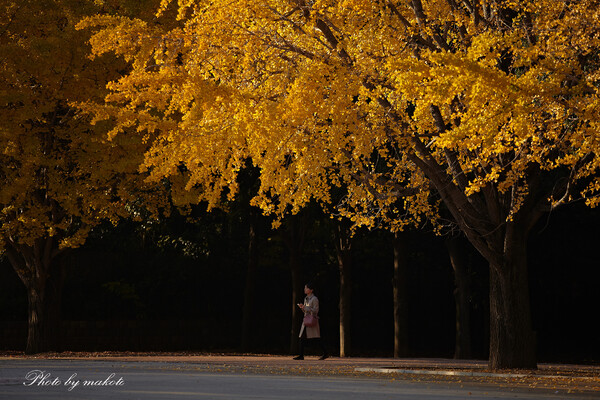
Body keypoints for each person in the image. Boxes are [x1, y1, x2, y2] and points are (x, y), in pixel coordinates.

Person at [294, 282, 328, 360]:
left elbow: (316, 310)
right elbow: (306, 311)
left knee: (316, 338)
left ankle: (325, 352)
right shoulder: (306, 298)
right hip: (306, 320)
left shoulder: (314, 299)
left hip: (312, 320)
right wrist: (302, 307)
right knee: (302, 337)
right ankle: (301, 355)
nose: (305, 289)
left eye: (306, 288)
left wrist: (305, 308)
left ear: (311, 290)